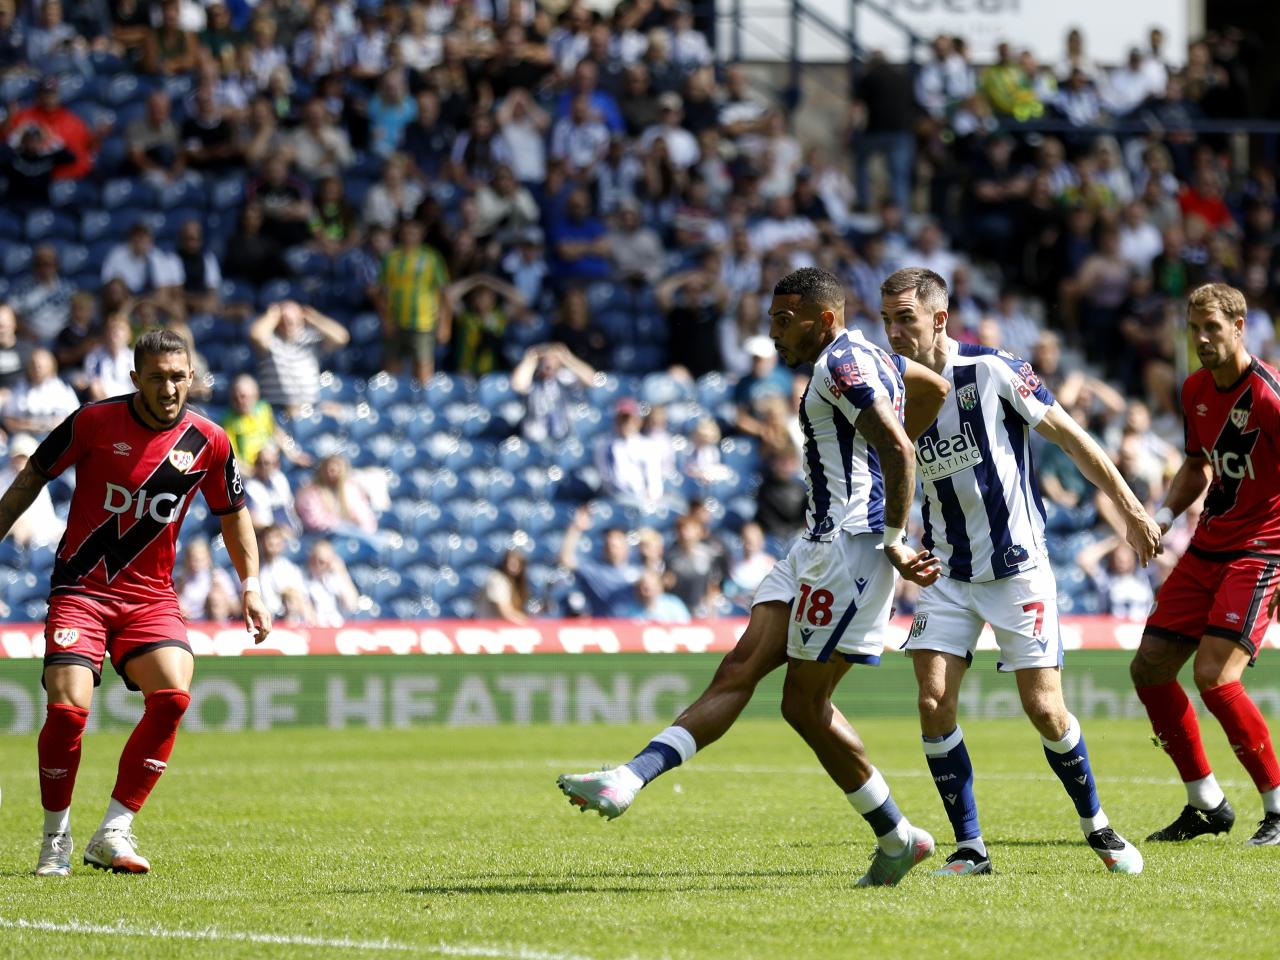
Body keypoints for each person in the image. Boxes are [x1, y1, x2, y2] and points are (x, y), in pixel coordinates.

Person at [558, 267, 949, 887]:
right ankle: (627, 779)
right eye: (771, 320)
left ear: (823, 320)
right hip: (815, 545)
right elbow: (930, 392)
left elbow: (899, 448)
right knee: (742, 671)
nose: (773, 334)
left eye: (784, 321)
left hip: (849, 551)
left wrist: (894, 533)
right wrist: (881, 462)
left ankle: (898, 836)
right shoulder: (871, 356)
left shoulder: (841, 367)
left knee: (804, 702)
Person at [880, 266, 1159, 876]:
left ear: (939, 319)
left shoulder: (993, 370)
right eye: (887, 319)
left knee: (1045, 711)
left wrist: (1132, 510)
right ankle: (971, 847)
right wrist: (895, 542)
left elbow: (1072, 437)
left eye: (906, 318)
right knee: (932, 702)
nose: (895, 331)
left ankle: (1098, 826)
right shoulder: (889, 392)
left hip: (1018, 568)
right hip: (947, 572)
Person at [0, 329, 271, 877]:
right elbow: (33, 475)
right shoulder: (94, 422)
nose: (169, 387)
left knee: (172, 695)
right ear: (134, 380)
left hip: (150, 599)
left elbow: (233, 512)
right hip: (81, 589)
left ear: (190, 377)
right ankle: (55, 839)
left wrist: (251, 584)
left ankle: (113, 831)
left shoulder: (210, 441)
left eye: (177, 376)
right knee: (67, 708)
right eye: (156, 377)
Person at [1130, 283, 1280, 846]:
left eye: (1212, 328)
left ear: (1239, 327)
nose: (1201, 339)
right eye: (1194, 329)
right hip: (1207, 547)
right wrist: (1163, 518)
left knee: (1215, 677)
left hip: (1263, 550)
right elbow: (1197, 467)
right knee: (1148, 669)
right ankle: (1206, 803)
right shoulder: (1193, 388)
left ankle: (1276, 806)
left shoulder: (1269, 396)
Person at [248, 300, 350, 416]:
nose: (288, 322)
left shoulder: (311, 339)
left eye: (293, 317)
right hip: (276, 411)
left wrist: (315, 318)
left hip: (309, 409)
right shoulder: (270, 341)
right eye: (284, 318)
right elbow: (255, 335)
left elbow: (342, 337)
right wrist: (272, 315)